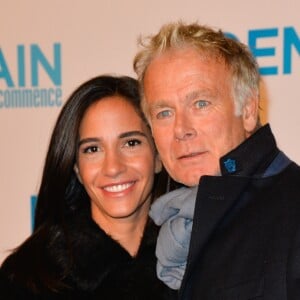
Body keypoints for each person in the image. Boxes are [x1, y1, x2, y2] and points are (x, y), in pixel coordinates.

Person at [133, 21, 300, 299]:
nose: (181, 129)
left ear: (247, 110)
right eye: (164, 113)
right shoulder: (166, 224)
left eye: (200, 104)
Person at [0, 75, 177, 299]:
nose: (113, 167)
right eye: (92, 149)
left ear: (158, 156)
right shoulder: (29, 277)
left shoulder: (199, 261)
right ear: (77, 169)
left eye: (131, 143)